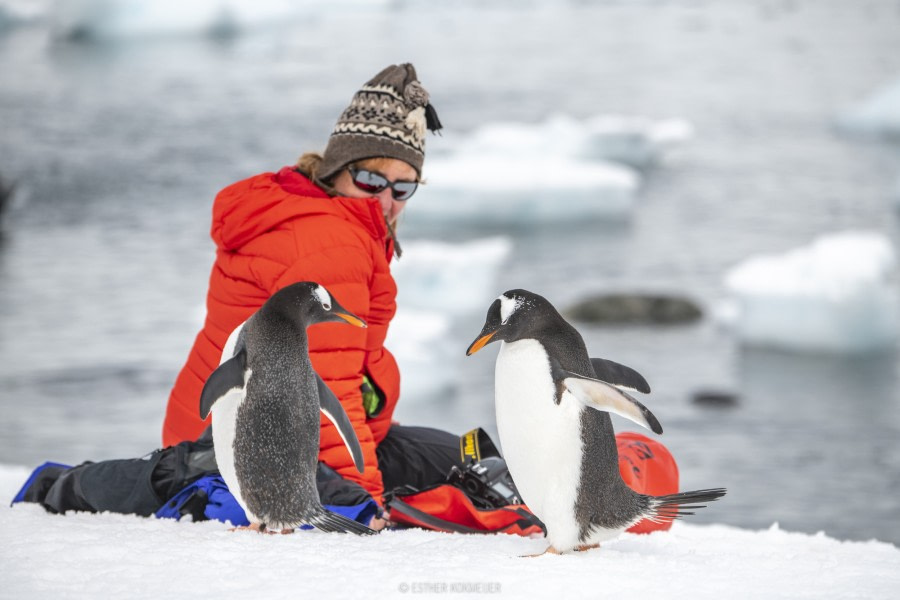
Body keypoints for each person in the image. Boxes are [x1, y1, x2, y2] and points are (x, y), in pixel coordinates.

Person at [13, 64, 681, 537]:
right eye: (371, 177)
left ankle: (572, 490)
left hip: (257, 431)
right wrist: (357, 499)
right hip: (260, 448)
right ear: (336, 168)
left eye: (404, 187)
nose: (388, 199)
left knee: (456, 455)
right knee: (414, 506)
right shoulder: (325, 242)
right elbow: (310, 384)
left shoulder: (327, 220)